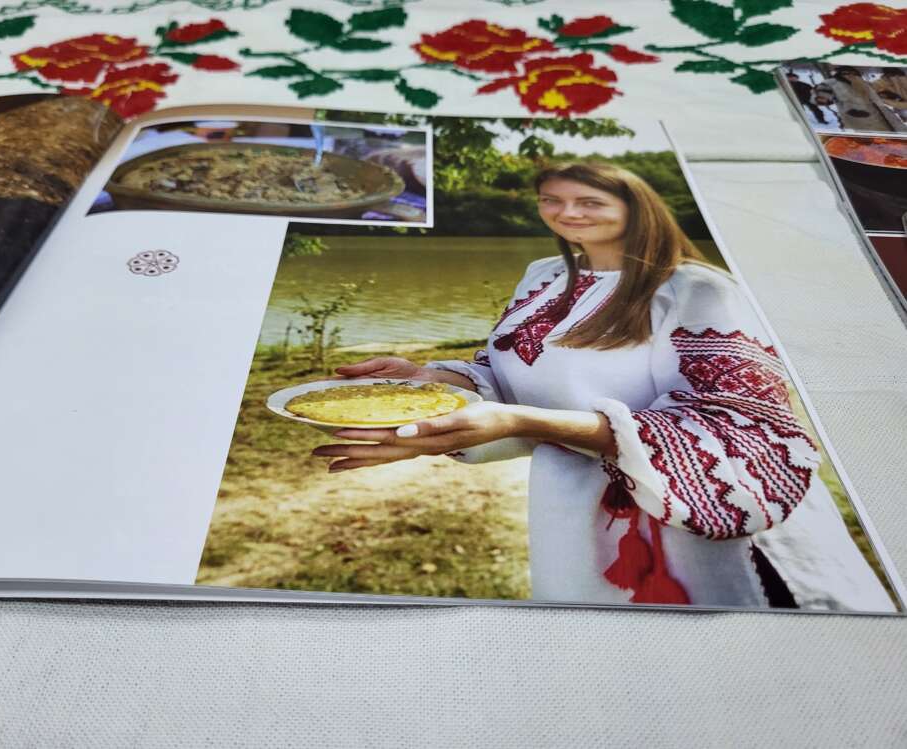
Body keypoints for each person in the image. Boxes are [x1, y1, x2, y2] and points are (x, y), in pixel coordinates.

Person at [312, 162, 896, 612]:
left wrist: (522, 423)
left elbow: (736, 427)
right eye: (552, 200)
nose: (567, 213)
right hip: (577, 512)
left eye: (589, 201)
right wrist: (431, 380)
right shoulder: (543, 276)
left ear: (636, 207)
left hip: (711, 517)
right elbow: (507, 372)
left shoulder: (697, 290)